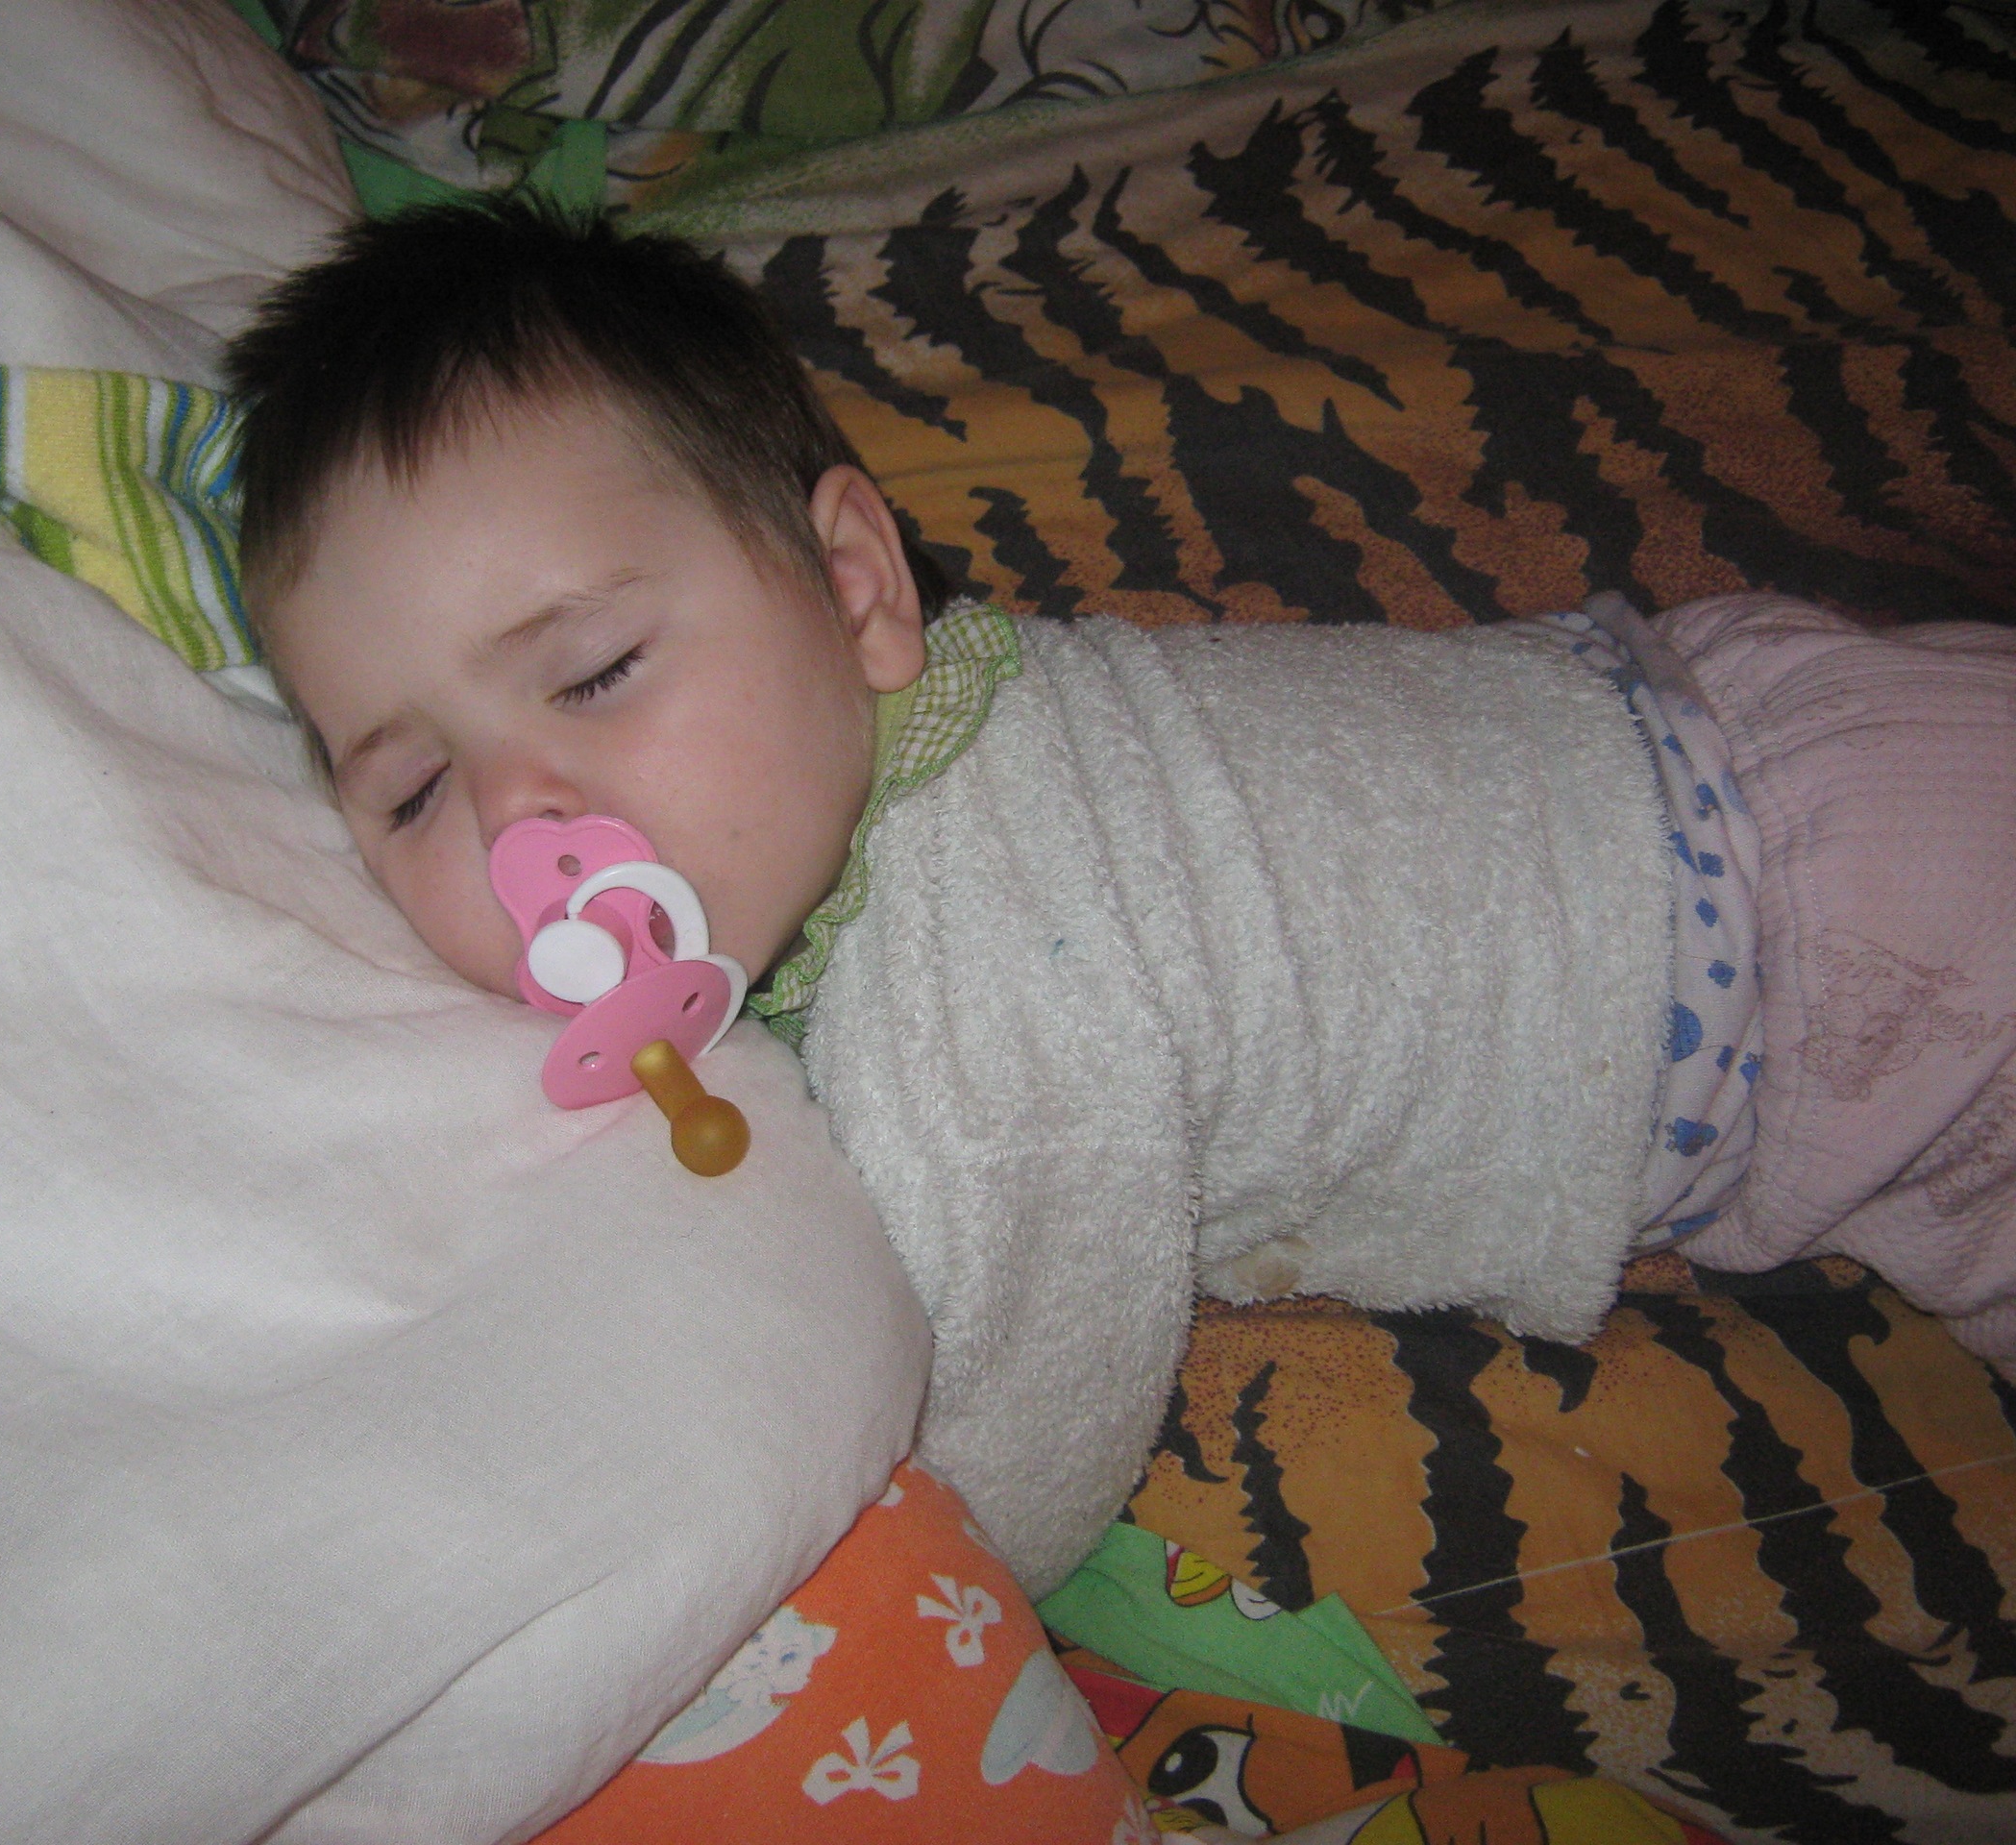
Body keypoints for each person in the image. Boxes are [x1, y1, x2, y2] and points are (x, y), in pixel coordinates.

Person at [228, 198, 2016, 1596]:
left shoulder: (989, 1010)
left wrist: (908, 1582)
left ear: (856, 591)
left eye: (598, 671)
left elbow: (1021, 1443)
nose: (525, 818)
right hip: (1735, 726)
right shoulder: (956, 711)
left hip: (1854, 973)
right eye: (412, 787)